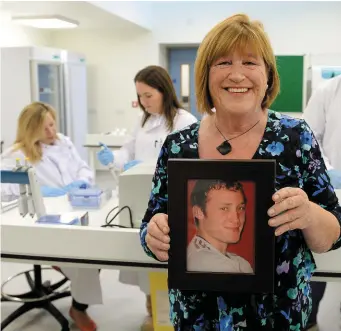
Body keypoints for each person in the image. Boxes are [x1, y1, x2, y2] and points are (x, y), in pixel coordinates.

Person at [139, 14, 341, 330]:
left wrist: (308, 214)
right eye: (222, 63)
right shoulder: (178, 145)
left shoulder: (294, 138)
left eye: (249, 62)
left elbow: (333, 234)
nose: (237, 75)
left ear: (268, 75)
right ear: (205, 75)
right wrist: (154, 235)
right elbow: (152, 223)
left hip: (277, 317)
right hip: (198, 317)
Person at [97, 65, 197, 331]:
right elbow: (127, 153)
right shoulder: (143, 121)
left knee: (168, 260)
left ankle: (170, 317)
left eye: (148, 95)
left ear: (164, 91)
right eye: (140, 96)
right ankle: (153, 313)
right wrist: (114, 158)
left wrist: (147, 166)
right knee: (145, 263)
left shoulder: (184, 121)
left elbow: (188, 167)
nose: (143, 102)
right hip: (139, 198)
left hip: (170, 203)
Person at [1, 102, 100, 331]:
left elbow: (83, 168)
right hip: (44, 221)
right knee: (87, 259)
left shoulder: (63, 142)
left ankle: (78, 300)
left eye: (52, 124)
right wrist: (34, 190)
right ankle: (79, 309)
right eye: (44, 128)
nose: (51, 131)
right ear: (30, 129)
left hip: (75, 210)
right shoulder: (17, 153)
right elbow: (3, 188)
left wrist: (83, 181)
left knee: (96, 252)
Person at [303, 74, 341, 331]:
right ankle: (310, 321)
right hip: (333, 191)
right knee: (322, 260)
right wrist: (327, 171)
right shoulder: (329, 90)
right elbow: (309, 138)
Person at [187, 179, 253, 273]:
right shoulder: (215, 266)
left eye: (240, 208)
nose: (236, 219)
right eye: (224, 208)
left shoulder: (238, 263)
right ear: (199, 212)